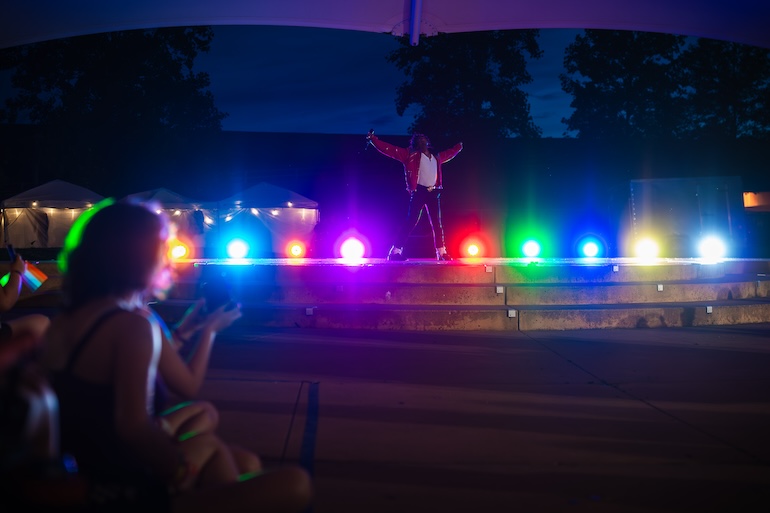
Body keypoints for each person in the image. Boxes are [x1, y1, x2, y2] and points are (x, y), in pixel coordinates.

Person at [39, 200, 312, 512]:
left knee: (238, 456)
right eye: (162, 245)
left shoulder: (67, 320)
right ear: (136, 257)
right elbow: (134, 426)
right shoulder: (133, 325)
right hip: (116, 487)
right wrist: (178, 469)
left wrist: (184, 331)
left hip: (81, 469)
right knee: (295, 484)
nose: (170, 256)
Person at [367, 130, 463, 261]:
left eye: (423, 139)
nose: (422, 141)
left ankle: (441, 252)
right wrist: (373, 140)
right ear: (415, 143)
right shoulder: (409, 154)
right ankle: (395, 251)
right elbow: (390, 149)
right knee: (411, 221)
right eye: (419, 140)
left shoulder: (436, 157)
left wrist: (459, 146)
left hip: (433, 192)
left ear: (427, 142)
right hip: (419, 192)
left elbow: (450, 153)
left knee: (437, 223)